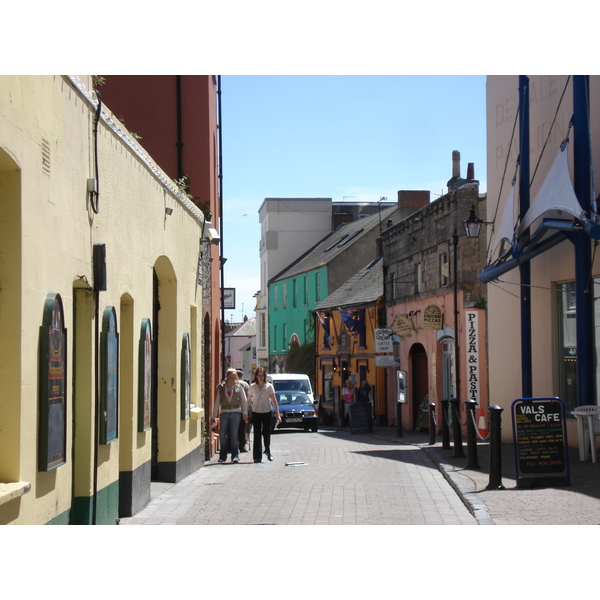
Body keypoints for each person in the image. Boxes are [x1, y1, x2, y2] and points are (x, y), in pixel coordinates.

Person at [211, 368, 248, 463]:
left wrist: (245, 413)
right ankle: (223, 456)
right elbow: (217, 402)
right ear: (227, 377)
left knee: (234, 435)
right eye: (230, 377)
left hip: (236, 412)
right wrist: (213, 416)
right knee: (222, 434)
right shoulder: (221, 387)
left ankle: (235, 455)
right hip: (224, 412)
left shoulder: (239, 387)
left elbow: (244, 400)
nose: (232, 380)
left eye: (234, 378)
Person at [247, 367, 280, 462]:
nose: (261, 377)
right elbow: (248, 400)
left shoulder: (269, 386)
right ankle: (257, 456)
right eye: (259, 375)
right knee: (257, 434)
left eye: (262, 375)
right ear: (256, 376)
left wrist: (277, 413)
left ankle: (268, 451)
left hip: (266, 411)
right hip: (256, 412)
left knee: (266, 433)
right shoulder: (252, 387)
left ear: (265, 376)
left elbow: (274, 400)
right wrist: (246, 412)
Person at [237, 369, 250, 452]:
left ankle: (232, 446)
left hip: (234, 410)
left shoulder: (230, 384)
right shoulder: (244, 384)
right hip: (243, 410)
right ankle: (242, 446)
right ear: (241, 377)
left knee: (234, 429)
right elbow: (249, 397)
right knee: (242, 429)